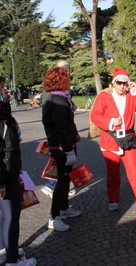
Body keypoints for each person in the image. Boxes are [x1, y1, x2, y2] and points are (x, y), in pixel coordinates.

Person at [90, 68, 136, 215]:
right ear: (114, 83)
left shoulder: (130, 96)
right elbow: (95, 116)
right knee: (113, 174)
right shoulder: (104, 97)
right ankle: (113, 200)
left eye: (124, 83)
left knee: (135, 173)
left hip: (129, 140)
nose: (122, 86)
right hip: (110, 141)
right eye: (119, 83)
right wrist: (111, 121)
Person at [0, 79, 37, 266]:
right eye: (1, 88)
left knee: (6, 217)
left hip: (9, 172)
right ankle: (13, 260)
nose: (5, 91)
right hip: (5, 176)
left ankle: (7, 251)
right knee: (10, 217)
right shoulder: (2, 119)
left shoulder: (5, 116)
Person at [42, 67, 81, 232]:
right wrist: (68, 151)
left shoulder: (59, 98)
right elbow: (61, 129)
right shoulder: (57, 102)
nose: (70, 82)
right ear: (61, 81)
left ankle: (64, 208)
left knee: (66, 179)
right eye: (68, 79)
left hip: (64, 145)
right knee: (62, 180)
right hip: (62, 147)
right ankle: (54, 216)